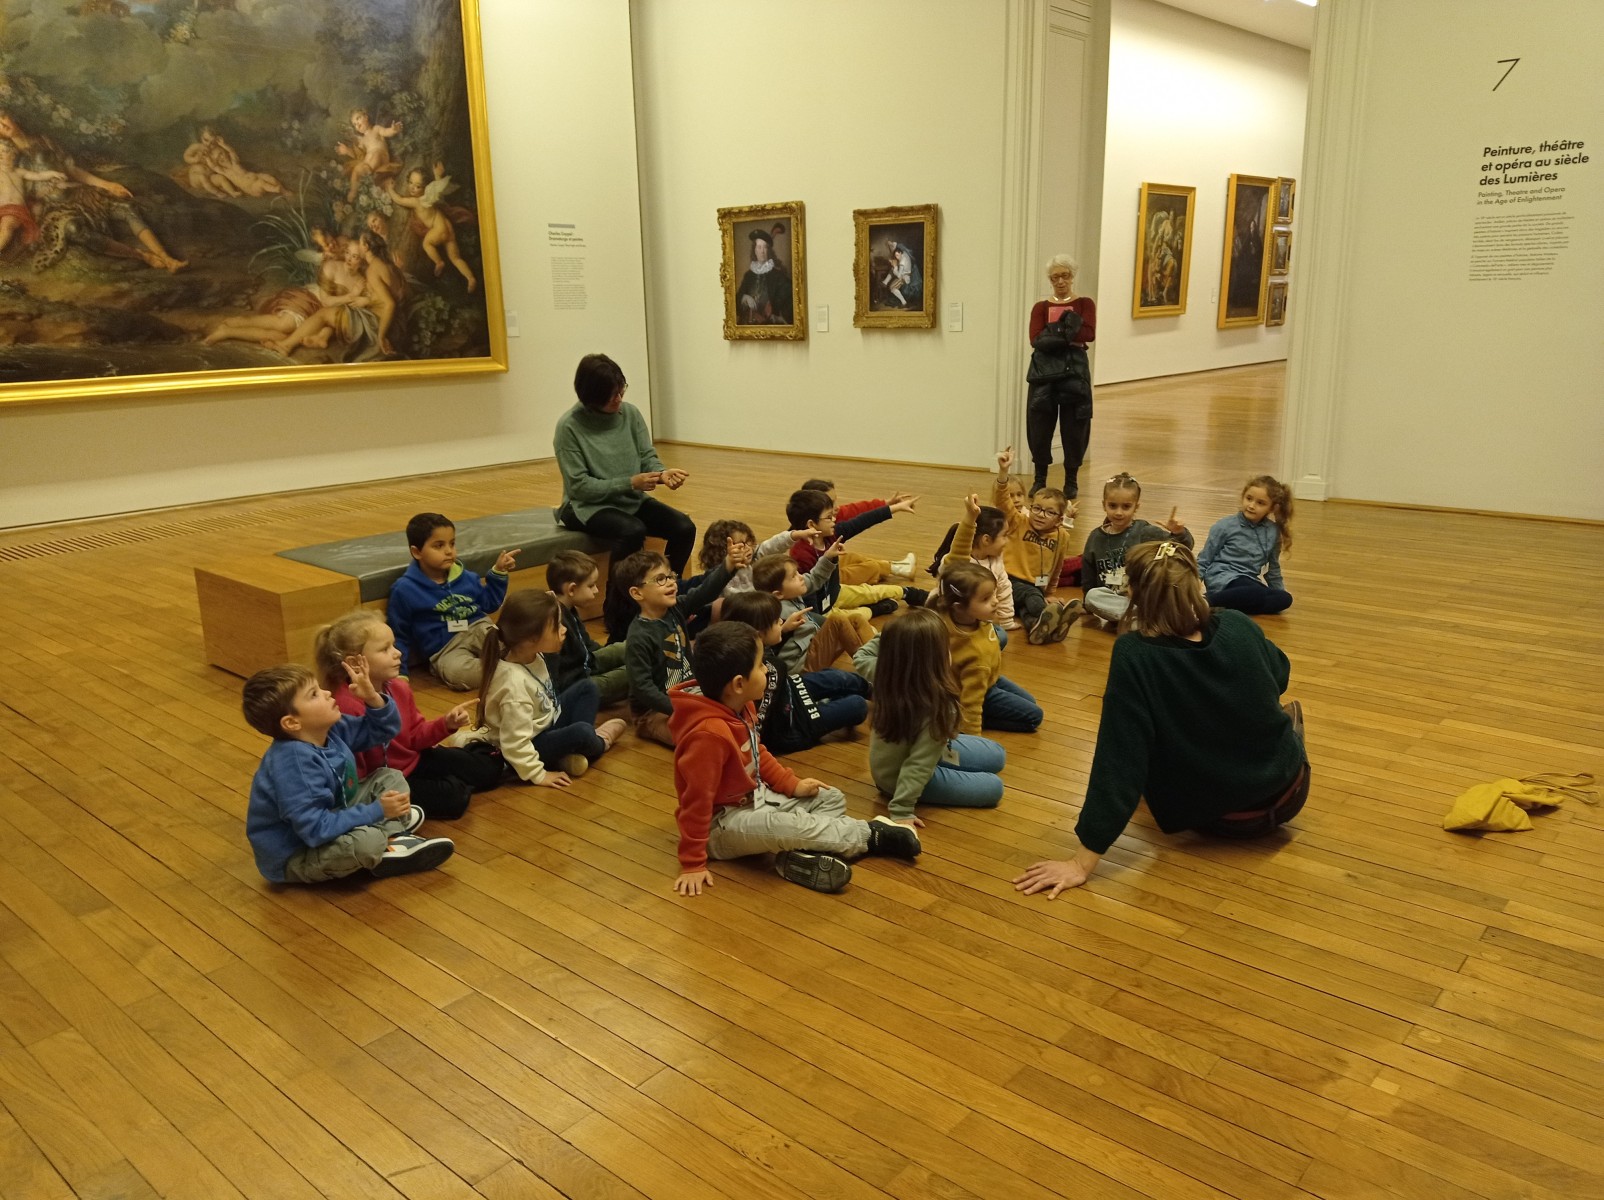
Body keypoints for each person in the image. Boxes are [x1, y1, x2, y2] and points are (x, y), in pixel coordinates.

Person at [1013, 540, 1308, 897]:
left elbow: (1119, 761)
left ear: (1134, 593)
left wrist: (1081, 863)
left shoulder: (1134, 654)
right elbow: (1280, 674)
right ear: (1196, 582)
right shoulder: (1236, 623)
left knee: (1150, 740)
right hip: (1290, 792)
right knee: (1281, 711)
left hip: (1224, 819)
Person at [668, 622, 919, 897]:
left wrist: (792, 784)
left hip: (754, 800)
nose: (767, 670)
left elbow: (757, 752)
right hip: (720, 827)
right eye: (760, 665)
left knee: (830, 797)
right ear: (739, 684)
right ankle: (872, 835)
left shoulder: (740, 705)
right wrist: (692, 863)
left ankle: (800, 855)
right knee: (789, 826)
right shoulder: (708, 735)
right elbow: (696, 801)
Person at [241, 659, 454, 884]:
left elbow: (384, 730)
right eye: (314, 694)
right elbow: (315, 830)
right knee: (367, 842)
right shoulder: (294, 764)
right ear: (292, 723)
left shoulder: (329, 729)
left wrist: (372, 698)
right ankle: (386, 838)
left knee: (389, 777)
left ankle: (390, 835)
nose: (326, 693)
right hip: (297, 853)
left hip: (334, 811)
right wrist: (377, 811)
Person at [555, 354, 697, 639]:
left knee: (684, 527)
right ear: (590, 396)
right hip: (584, 506)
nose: (618, 399)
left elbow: (647, 456)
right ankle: (617, 611)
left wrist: (662, 473)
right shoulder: (569, 426)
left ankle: (669, 594)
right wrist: (630, 483)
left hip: (629, 499)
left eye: (621, 391)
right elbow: (580, 487)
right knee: (632, 531)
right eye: (611, 396)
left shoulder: (630, 414)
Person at [317, 611, 502, 820]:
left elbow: (415, 736)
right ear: (354, 663)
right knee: (454, 799)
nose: (397, 653)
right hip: (388, 780)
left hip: (416, 759)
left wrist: (446, 723)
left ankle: (463, 764)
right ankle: (456, 780)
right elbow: (357, 774)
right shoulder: (344, 706)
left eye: (394, 645)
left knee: (489, 769)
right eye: (385, 649)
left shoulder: (398, 687)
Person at [854, 609, 1006, 823]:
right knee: (994, 787)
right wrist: (902, 810)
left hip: (894, 765)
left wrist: (897, 635)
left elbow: (861, 656)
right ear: (936, 658)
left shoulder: (887, 672)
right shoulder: (940, 706)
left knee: (997, 754)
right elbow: (918, 765)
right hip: (899, 780)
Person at [472, 590, 627, 788]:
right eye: (556, 627)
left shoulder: (533, 654)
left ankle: (574, 750)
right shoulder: (513, 686)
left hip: (545, 723)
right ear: (531, 638)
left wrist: (547, 604)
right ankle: (598, 743)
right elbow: (515, 743)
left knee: (587, 687)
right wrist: (539, 775)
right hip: (529, 744)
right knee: (582, 732)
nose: (564, 630)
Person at [0, 109, 186, 272]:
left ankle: (167, 258)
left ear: (13, 117)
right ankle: (142, 256)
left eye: (3, 117)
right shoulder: (6, 155)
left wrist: (107, 185)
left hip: (79, 195)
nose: (3, 124)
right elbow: (17, 190)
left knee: (127, 209)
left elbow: (73, 170)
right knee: (74, 229)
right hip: (53, 208)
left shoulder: (44, 141)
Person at [619, 544, 745, 748]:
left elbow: (704, 592)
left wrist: (728, 564)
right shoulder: (639, 636)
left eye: (670, 576)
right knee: (701, 737)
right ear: (637, 593)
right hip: (653, 712)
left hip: (689, 693)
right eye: (660, 579)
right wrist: (681, 707)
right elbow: (642, 688)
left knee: (736, 706)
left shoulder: (675, 608)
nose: (671, 582)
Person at [720, 590, 870, 754]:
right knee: (857, 705)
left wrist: (783, 630)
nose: (781, 621)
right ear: (759, 634)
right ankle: (832, 701)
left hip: (791, 689)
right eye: (776, 621)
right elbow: (759, 728)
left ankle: (876, 692)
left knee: (839, 677)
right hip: (794, 724)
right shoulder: (747, 676)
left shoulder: (754, 651)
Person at [387, 512, 520, 690]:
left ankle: (511, 664)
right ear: (417, 552)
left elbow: (489, 604)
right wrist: (400, 674)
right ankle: (510, 668)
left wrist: (498, 572)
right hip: (446, 649)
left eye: (452, 543)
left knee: (514, 645)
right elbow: (399, 634)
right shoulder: (404, 590)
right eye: (439, 545)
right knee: (458, 673)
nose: (449, 551)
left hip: (478, 629)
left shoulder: (466, 577)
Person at [931, 558, 1042, 735]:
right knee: (1034, 716)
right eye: (985, 599)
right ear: (959, 607)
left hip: (990, 677)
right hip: (976, 688)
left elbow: (952, 568)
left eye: (994, 594)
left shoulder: (957, 614)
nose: (995, 601)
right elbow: (972, 702)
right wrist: (973, 735)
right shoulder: (975, 657)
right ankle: (958, 718)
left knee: (1031, 701)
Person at [1076, 473, 1193, 631]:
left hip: (1142, 598)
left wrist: (1179, 533)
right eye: (1112, 506)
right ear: (1104, 505)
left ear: (1136, 506)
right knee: (1092, 596)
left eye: (1126, 506)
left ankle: (1141, 620)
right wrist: (1087, 604)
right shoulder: (1095, 537)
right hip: (1114, 601)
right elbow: (1088, 574)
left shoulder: (1144, 532)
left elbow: (1182, 548)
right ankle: (1143, 621)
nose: (1119, 512)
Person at [784, 488, 923, 616]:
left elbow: (863, 521)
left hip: (835, 593)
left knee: (869, 591)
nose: (834, 519)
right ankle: (874, 609)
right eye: (829, 517)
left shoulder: (830, 534)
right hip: (820, 610)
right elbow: (808, 596)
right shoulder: (801, 554)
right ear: (811, 524)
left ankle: (909, 593)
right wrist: (819, 621)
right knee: (854, 617)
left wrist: (896, 508)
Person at [991, 446, 1080, 643]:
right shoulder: (1018, 522)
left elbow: (1057, 567)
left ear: (1059, 518)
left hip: (1036, 587)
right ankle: (1057, 619)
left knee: (1026, 610)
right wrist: (1003, 472)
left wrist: (1050, 593)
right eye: (1037, 508)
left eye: (1049, 512)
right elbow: (1002, 501)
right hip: (1008, 581)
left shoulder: (1062, 536)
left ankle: (1038, 630)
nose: (1040, 515)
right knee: (1032, 597)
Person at [1025, 254, 1096, 498]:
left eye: (1064, 276)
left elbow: (1088, 333)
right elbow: (1036, 339)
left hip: (1074, 372)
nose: (1060, 281)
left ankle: (1071, 481)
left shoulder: (1085, 303)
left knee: (1075, 426)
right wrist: (1068, 330)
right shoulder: (1040, 307)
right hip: (1044, 374)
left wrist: (1052, 333)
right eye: (1055, 277)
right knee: (1040, 426)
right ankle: (1040, 479)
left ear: (1072, 276)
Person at [751, 549, 876, 675]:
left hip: (812, 649)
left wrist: (827, 558)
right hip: (802, 667)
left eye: (798, 572)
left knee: (856, 619)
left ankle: (879, 659)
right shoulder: (772, 613)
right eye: (794, 576)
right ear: (778, 594)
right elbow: (763, 645)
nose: (801, 577)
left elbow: (814, 578)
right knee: (837, 620)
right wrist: (784, 629)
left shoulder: (791, 592)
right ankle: (868, 666)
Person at [1198, 475, 1295, 614]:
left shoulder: (1273, 532)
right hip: (1222, 578)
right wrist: (1194, 583)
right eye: (1249, 498)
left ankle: (1227, 604)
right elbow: (1204, 559)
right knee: (1255, 592)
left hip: (1248, 581)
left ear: (1272, 508)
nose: (1251, 506)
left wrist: (1277, 592)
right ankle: (1205, 602)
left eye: (1260, 503)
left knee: (1285, 598)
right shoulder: (1224, 526)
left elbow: (1273, 569)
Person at [545, 550, 629, 707]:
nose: (596, 590)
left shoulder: (568, 608)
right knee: (638, 670)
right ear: (571, 589)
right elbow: (559, 676)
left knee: (635, 646)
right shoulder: (554, 621)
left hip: (585, 665)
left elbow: (587, 647)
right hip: (576, 688)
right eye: (591, 586)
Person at [798, 478, 919, 583]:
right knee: (870, 568)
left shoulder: (824, 523)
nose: (837, 507)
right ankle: (891, 570)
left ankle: (899, 568)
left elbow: (859, 514)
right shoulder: (801, 549)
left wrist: (887, 504)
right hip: (823, 581)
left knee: (852, 558)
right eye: (830, 503)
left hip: (826, 566)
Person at [385, 161, 477, 291]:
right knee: (456, 258)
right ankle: (470, 278)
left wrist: (389, 189)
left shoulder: (416, 201)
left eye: (418, 186)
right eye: (410, 183)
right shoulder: (431, 197)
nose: (412, 188)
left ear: (425, 188)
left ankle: (439, 262)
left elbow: (398, 199)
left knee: (427, 244)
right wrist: (438, 175)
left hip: (439, 228)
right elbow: (438, 187)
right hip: (448, 227)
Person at [943, 493, 1018, 637]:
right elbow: (960, 548)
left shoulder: (995, 560)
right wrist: (970, 517)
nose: (1007, 541)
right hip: (955, 625)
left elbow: (1004, 589)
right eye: (1004, 535)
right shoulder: (959, 564)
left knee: (1001, 636)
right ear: (986, 540)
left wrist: (1006, 620)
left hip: (980, 619)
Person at [0, 140, 64, 256]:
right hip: (2, 209)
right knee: (6, 226)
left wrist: (54, 173)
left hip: (17, 210)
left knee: (8, 226)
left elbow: (38, 175)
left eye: (4, 151)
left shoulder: (19, 172)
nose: (0, 154)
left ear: (13, 155)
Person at [735, 227, 793, 325]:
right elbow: (736, 302)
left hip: (768, 325)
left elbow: (791, 292)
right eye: (759, 247)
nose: (762, 251)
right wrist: (743, 298)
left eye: (765, 247)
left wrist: (773, 305)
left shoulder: (777, 275)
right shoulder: (748, 275)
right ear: (754, 250)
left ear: (768, 251)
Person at [879, 237, 921, 309]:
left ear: (900, 253)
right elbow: (895, 248)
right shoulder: (904, 254)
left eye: (897, 255)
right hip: (903, 274)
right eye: (895, 255)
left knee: (892, 288)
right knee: (893, 268)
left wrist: (895, 267)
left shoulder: (902, 262)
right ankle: (885, 282)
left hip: (904, 277)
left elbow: (899, 275)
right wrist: (894, 264)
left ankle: (904, 302)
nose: (896, 257)